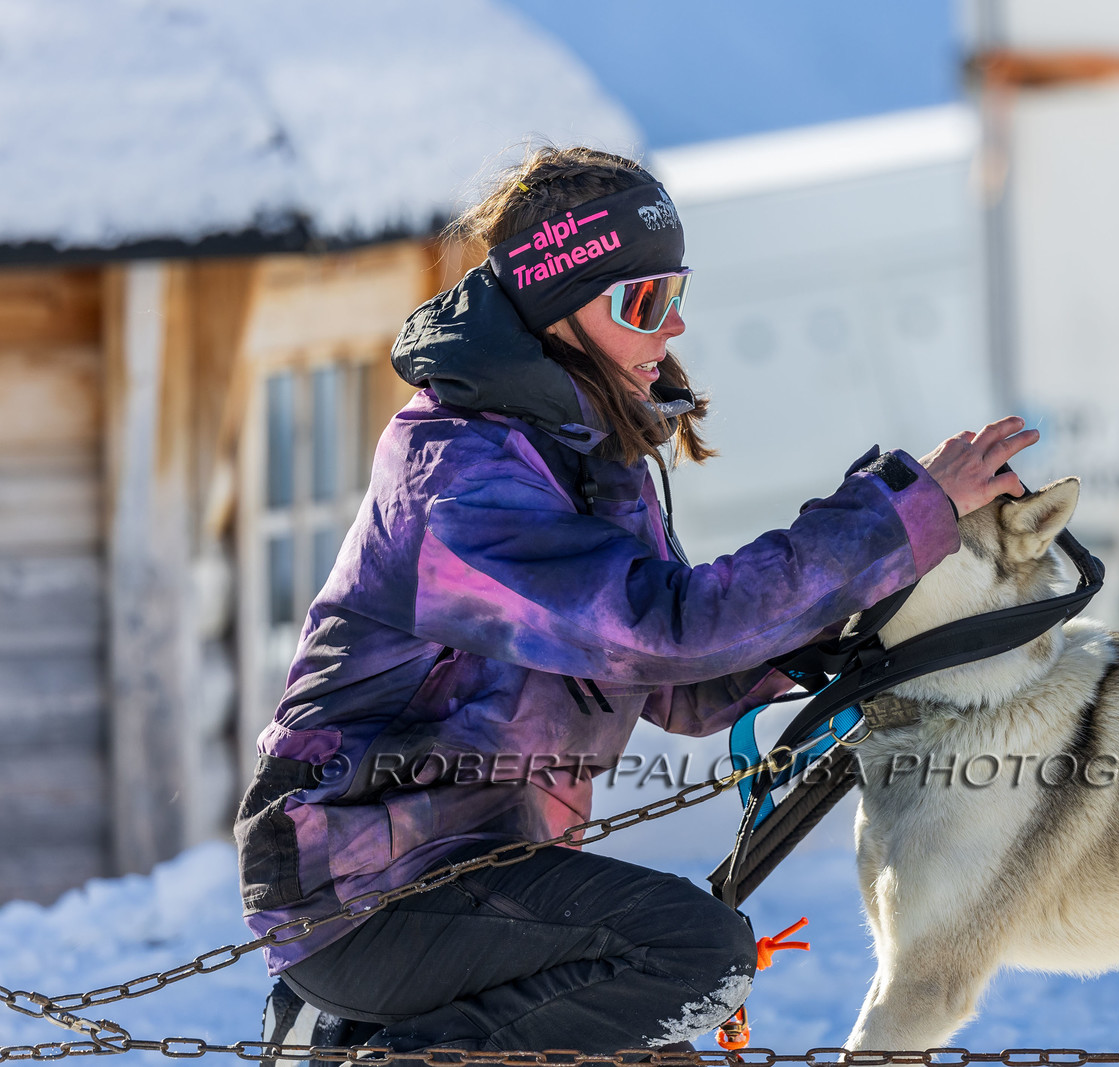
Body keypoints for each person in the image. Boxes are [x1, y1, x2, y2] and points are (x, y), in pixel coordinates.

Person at [240, 146, 1038, 1055]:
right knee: (689, 951)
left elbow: (683, 687)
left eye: (674, 294)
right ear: (557, 305)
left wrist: (857, 616)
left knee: (662, 1031)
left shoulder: (583, 457)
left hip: (474, 868)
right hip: (364, 884)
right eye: (645, 301)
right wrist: (898, 519)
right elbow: (663, 632)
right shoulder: (462, 477)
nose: (673, 329)